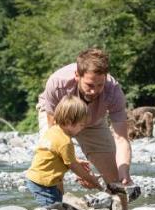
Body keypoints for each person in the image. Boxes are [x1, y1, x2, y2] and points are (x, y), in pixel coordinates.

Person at [38, 48, 135, 192]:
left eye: (100, 85)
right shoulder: (57, 83)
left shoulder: (113, 91)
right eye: (89, 85)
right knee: (52, 161)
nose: (94, 91)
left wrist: (124, 171)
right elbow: (54, 134)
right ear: (77, 76)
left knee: (115, 178)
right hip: (60, 120)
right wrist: (77, 167)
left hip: (93, 121)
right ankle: (55, 207)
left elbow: (121, 139)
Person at [25, 95, 101, 205]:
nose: (82, 128)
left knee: (58, 202)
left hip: (36, 178)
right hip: (43, 183)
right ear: (69, 122)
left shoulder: (54, 130)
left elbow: (56, 154)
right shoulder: (65, 142)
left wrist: (76, 160)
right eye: (81, 125)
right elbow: (73, 166)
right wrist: (91, 180)